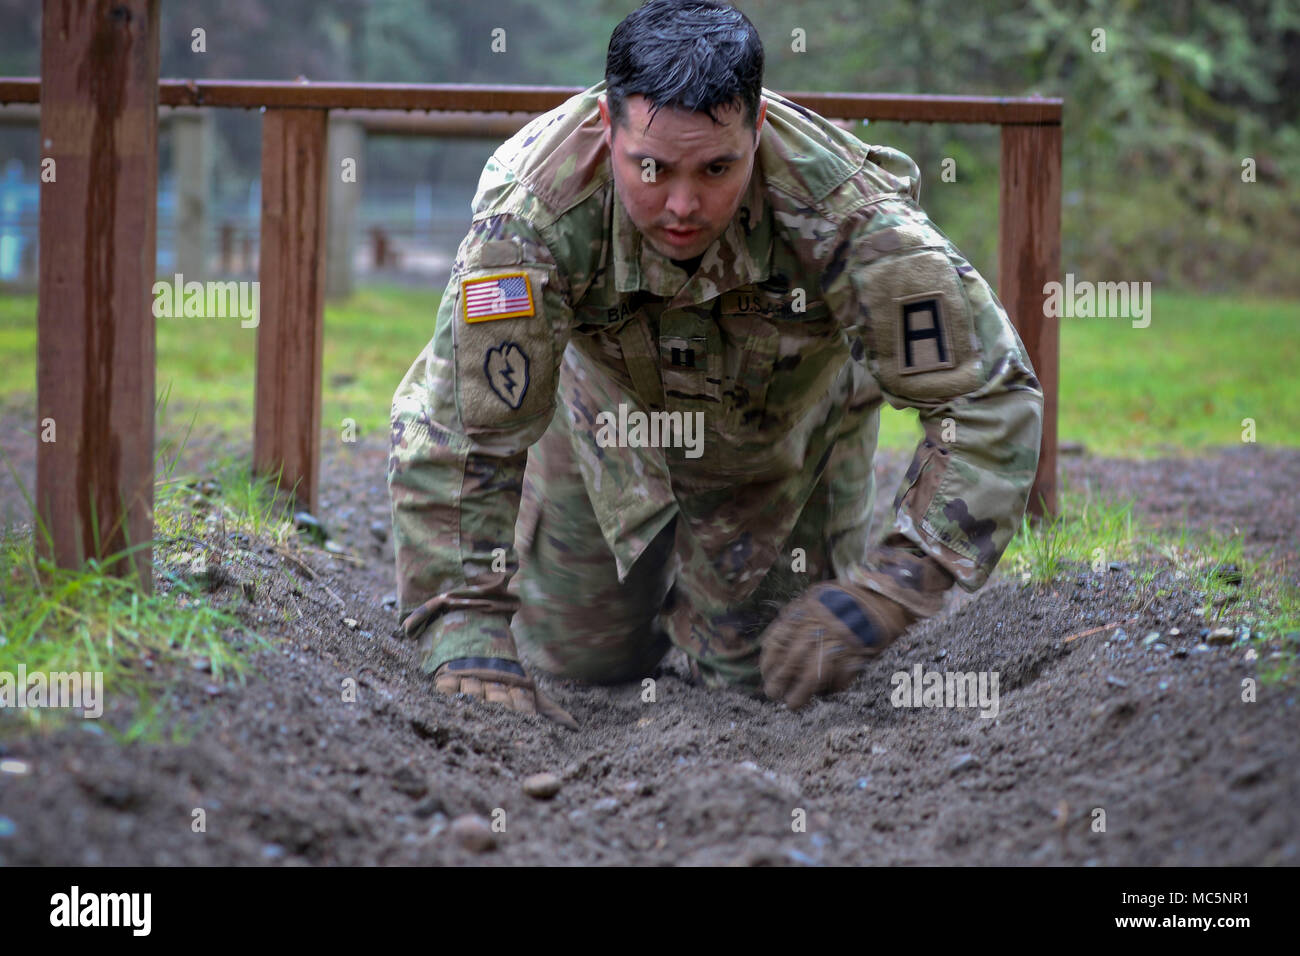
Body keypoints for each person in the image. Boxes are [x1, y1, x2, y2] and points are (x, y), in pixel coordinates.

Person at [387, 0, 1043, 729]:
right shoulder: (533, 215)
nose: (682, 204)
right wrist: (467, 626)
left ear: (758, 131)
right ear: (606, 129)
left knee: (772, 677)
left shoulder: (847, 214)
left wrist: (896, 583)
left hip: (780, 445)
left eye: (717, 168)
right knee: (582, 659)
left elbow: (988, 396)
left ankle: (728, 608)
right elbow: (459, 424)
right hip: (608, 420)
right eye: (653, 167)